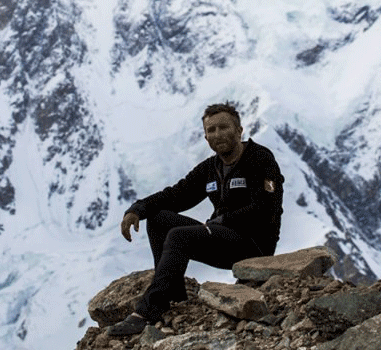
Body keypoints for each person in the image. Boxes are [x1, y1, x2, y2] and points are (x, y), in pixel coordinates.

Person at [107, 101, 284, 337]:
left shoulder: (260, 159)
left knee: (181, 236)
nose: (218, 134)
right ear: (205, 137)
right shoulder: (210, 168)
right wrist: (138, 209)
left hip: (253, 245)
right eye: (211, 130)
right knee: (159, 219)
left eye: (224, 127)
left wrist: (221, 222)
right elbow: (176, 195)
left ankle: (148, 311)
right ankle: (174, 294)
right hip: (221, 237)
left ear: (239, 130)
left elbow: (265, 208)